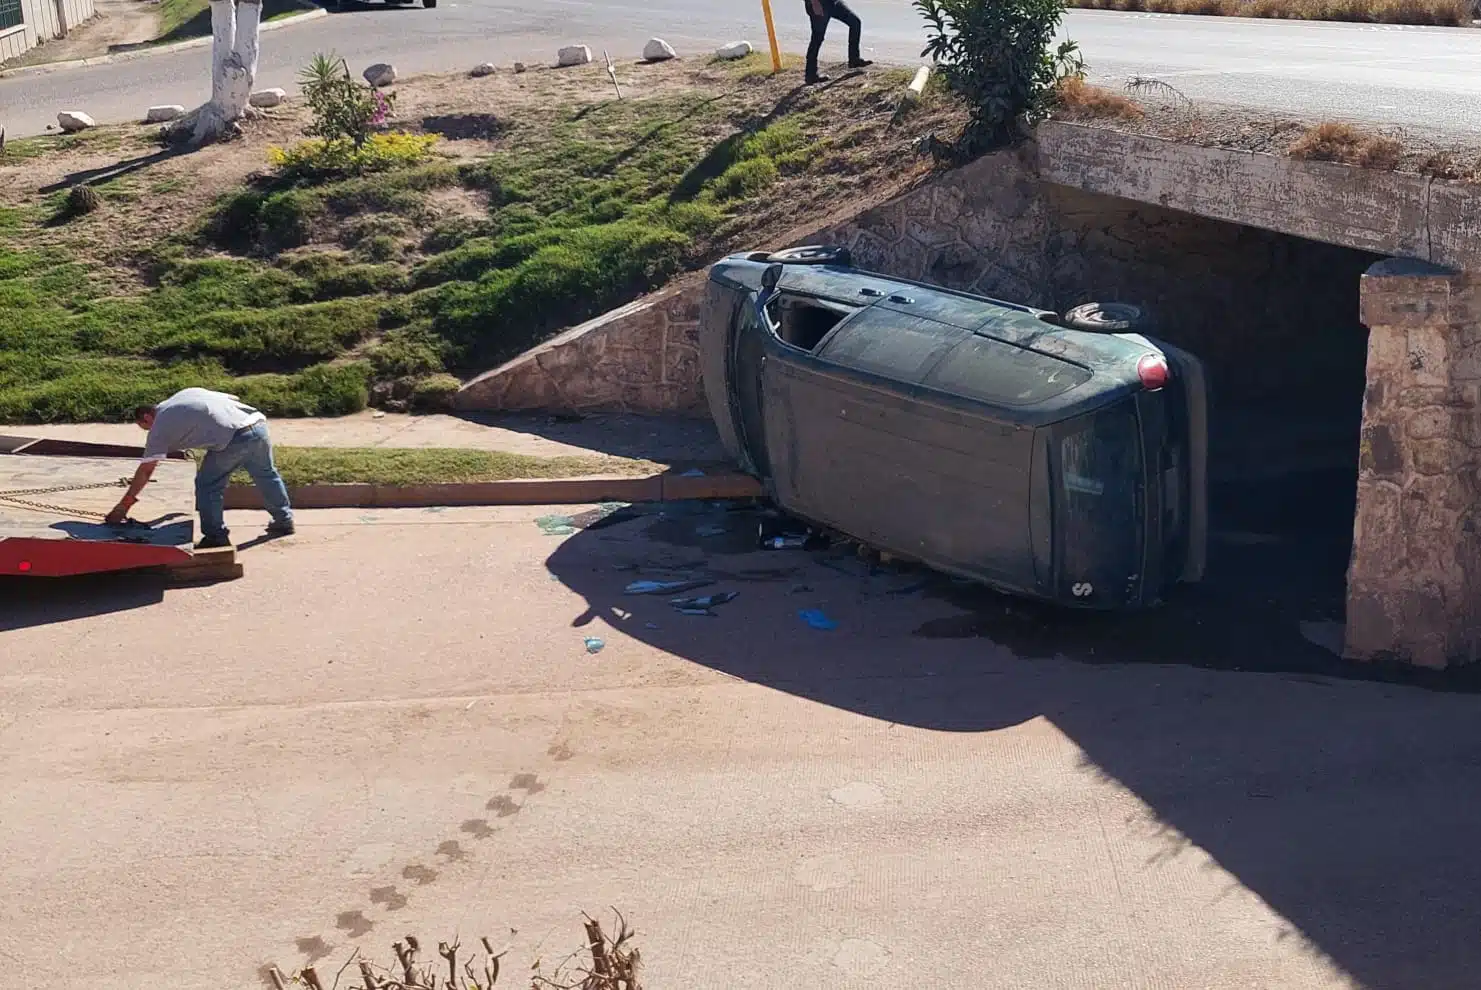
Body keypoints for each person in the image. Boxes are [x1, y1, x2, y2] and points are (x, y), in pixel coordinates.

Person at [105, 387, 295, 549]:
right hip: (257, 425)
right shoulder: (186, 394)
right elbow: (231, 398)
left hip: (233, 439)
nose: (149, 433)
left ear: (147, 417)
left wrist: (124, 506)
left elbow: (146, 470)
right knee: (267, 475)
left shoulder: (160, 427)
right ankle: (284, 521)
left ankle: (215, 537)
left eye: (145, 428)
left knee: (208, 486)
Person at [804, 0, 872, 85]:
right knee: (817, 38)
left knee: (855, 22)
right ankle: (810, 75)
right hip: (819, 4)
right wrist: (814, 3)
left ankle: (854, 59)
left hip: (833, 3)